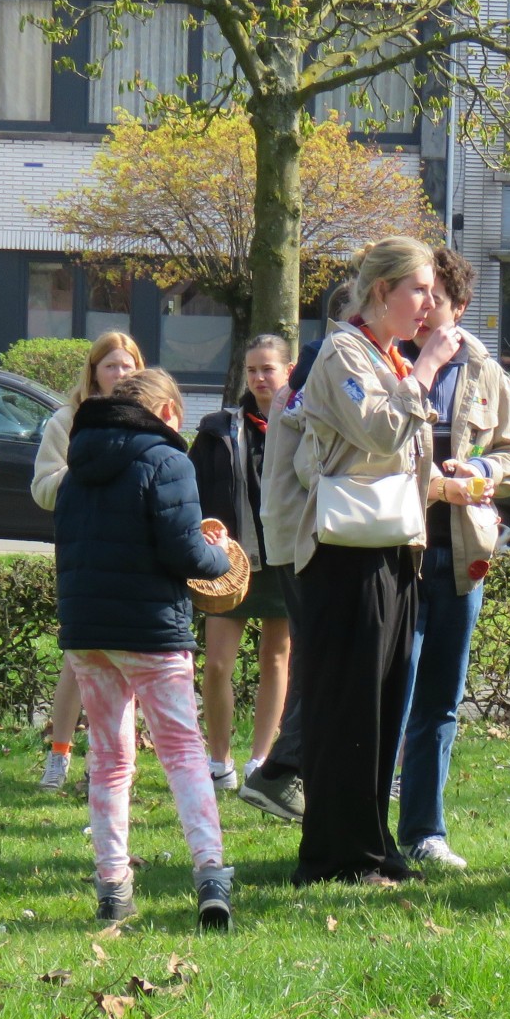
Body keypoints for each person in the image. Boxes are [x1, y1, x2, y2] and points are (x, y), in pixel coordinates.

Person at [284, 238, 444, 885]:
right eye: (419, 290)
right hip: (341, 555)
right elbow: (377, 430)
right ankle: (334, 856)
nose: (429, 305)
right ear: (381, 292)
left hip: (390, 546)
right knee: (347, 706)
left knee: (381, 705)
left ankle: (374, 846)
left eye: (432, 292)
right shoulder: (342, 352)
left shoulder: (390, 358)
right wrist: (428, 371)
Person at [53, 367, 237, 928]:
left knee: (109, 759)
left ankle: (113, 887)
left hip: (87, 632)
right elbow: (185, 553)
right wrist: (222, 557)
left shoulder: (75, 466)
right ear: (167, 413)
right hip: (151, 630)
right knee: (182, 751)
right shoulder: (168, 460)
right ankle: (210, 875)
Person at [395, 249, 510, 869]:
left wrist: (477, 471)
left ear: (460, 307)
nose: (424, 315)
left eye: (437, 304)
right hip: (392, 552)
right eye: (418, 300)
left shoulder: (484, 371)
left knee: (440, 700)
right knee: (388, 693)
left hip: (459, 557)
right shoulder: (381, 360)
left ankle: (425, 831)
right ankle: (368, 826)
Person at [238, 281, 358, 824]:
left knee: (316, 656)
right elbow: (315, 457)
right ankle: (281, 772)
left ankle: (296, 772)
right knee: (320, 660)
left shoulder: (319, 362)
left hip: (296, 533)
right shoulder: (320, 362)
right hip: (302, 537)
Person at [31, 331, 145, 791]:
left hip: (134, 555)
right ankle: (58, 758)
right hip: (86, 552)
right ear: (94, 371)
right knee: (79, 660)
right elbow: (42, 487)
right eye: (111, 366)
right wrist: (88, 473)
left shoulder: (146, 418)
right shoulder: (68, 420)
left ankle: (112, 763)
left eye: (128, 365)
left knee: (131, 663)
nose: (120, 374)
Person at [191, 335, 296, 793]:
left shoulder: (303, 422)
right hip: (229, 560)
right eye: (252, 370)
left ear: (288, 371)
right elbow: (191, 490)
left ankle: (260, 760)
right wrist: (206, 527)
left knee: (276, 658)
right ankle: (219, 762)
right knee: (216, 665)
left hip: (285, 557)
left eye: (268, 369)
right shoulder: (218, 428)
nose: (259, 378)